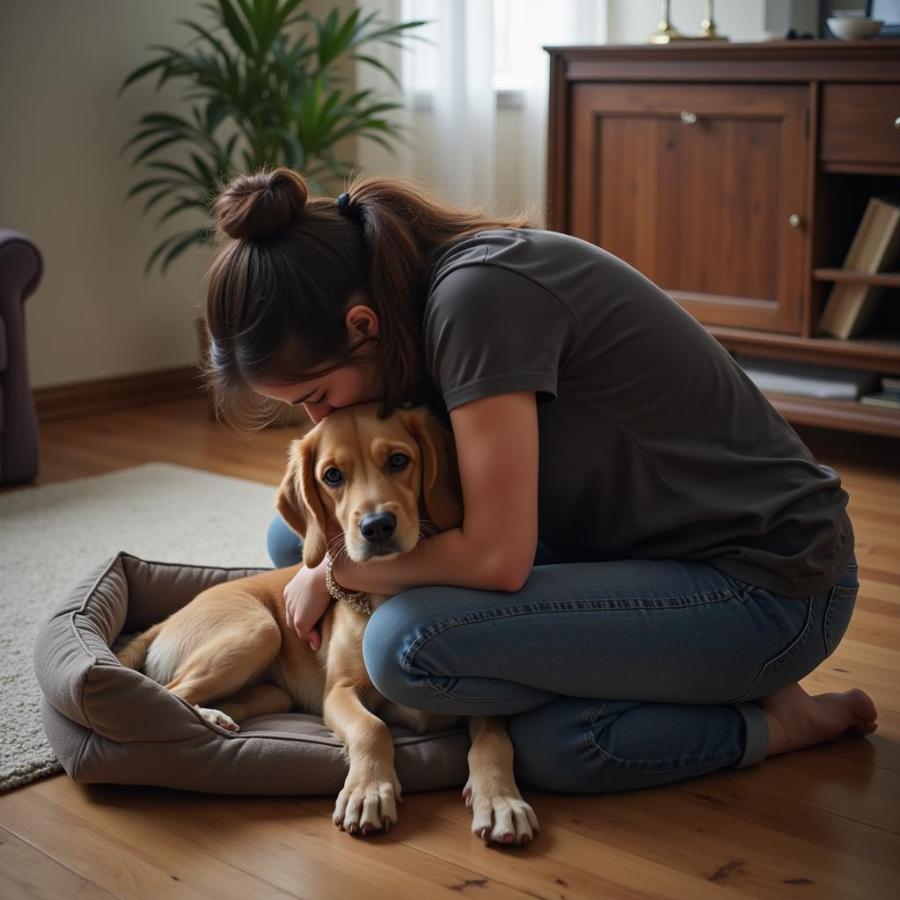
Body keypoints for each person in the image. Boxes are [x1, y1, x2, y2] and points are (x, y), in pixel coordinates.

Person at [201, 165, 878, 794]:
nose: (319, 417)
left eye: (316, 393)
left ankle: (780, 718)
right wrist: (328, 561)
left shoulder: (476, 299)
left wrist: (340, 574)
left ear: (362, 325)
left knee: (419, 654)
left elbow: (496, 560)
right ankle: (643, 674)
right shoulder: (420, 301)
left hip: (769, 588)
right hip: (633, 550)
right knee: (301, 541)